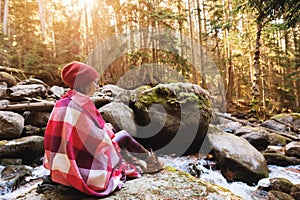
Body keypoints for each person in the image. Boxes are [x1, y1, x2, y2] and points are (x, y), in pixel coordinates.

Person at [43, 61, 163, 197]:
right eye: (94, 82)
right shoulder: (82, 105)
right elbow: (99, 142)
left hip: (61, 166)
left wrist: (104, 129)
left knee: (113, 135)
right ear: (84, 83)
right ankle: (152, 161)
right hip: (82, 164)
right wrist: (108, 131)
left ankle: (139, 161)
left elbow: (64, 136)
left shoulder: (62, 102)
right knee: (123, 135)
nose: (97, 85)